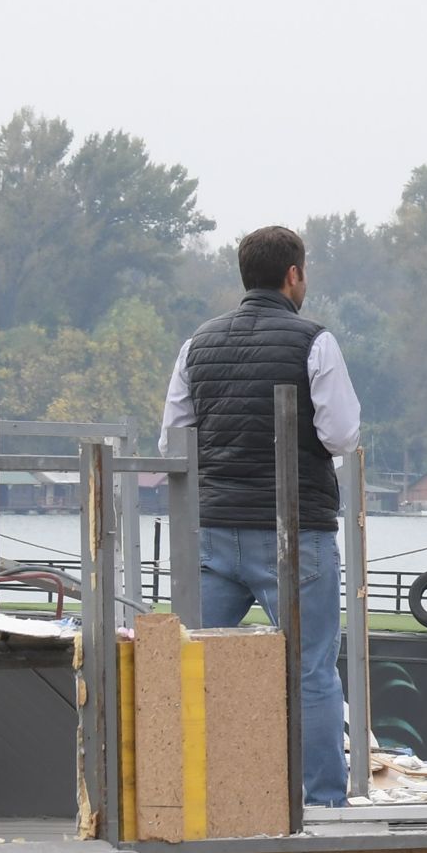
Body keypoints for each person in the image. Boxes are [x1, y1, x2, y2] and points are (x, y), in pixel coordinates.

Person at [162, 226, 364, 808]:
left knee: (193, 666)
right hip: (295, 533)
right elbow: (341, 435)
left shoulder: (196, 345)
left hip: (214, 533)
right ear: (293, 275)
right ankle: (324, 801)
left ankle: (195, 797)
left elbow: (174, 439)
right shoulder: (315, 342)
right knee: (311, 672)